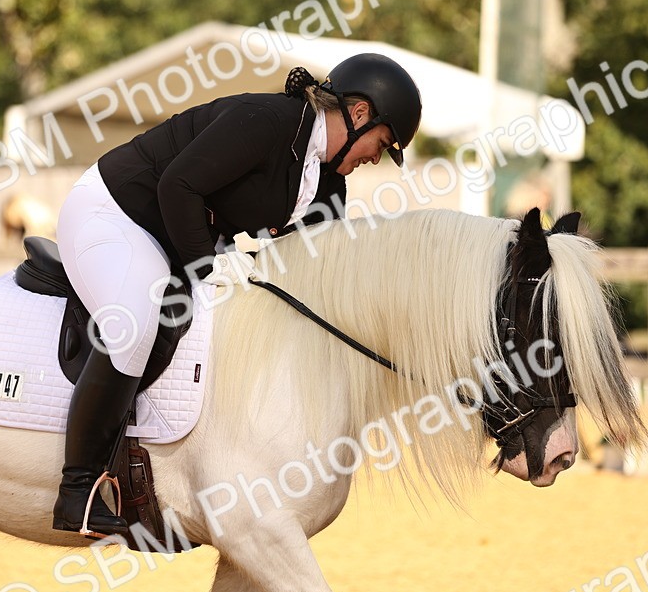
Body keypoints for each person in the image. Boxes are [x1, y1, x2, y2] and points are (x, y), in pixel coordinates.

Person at [50, 54, 423, 535]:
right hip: (116, 213)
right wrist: (209, 263)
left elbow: (316, 271)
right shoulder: (267, 121)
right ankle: (76, 490)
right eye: (383, 142)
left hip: (170, 235)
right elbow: (178, 186)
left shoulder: (329, 180)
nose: (377, 156)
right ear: (358, 115)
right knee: (137, 323)